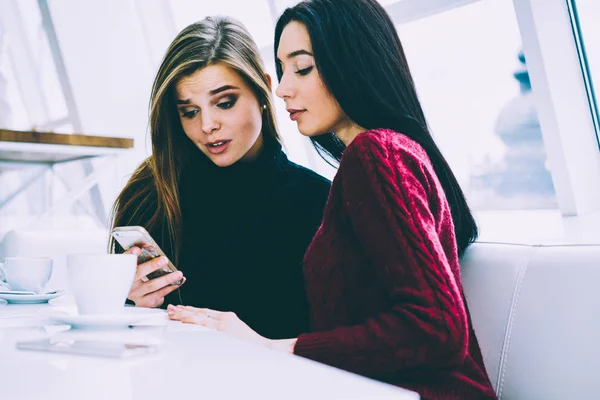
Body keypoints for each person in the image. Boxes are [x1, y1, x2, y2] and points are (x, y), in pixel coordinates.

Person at [169, 1, 497, 398]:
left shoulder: (378, 155)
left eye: (302, 68)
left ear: (352, 63)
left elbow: (438, 328)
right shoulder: (379, 158)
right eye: (283, 69)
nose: (282, 87)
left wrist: (279, 348)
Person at [110, 16, 330, 340]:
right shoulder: (152, 192)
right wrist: (130, 305)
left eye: (224, 103)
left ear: (264, 88)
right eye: (189, 110)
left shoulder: (319, 202)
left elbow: (338, 345)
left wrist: (263, 345)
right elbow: (116, 336)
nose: (207, 125)